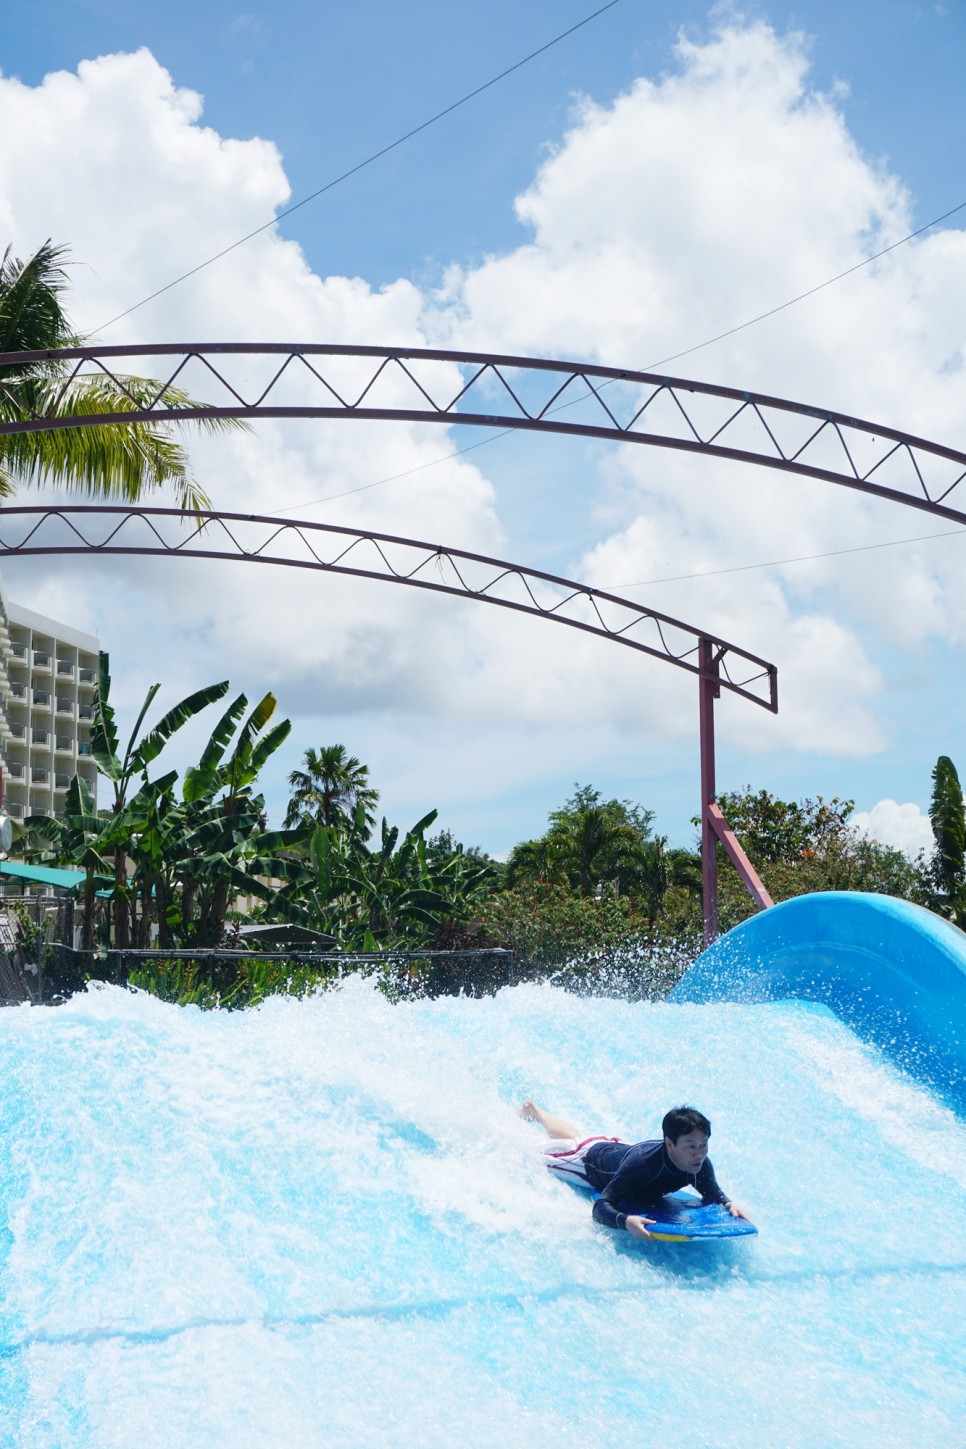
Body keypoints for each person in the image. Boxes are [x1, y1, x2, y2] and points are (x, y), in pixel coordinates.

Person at [519, 1099, 749, 1240]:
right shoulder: (641, 1166)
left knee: (579, 1138)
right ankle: (510, 1124)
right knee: (529, 1152)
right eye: (691, 1146)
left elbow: (713, 1194)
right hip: (588, 1160)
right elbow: (601, 1206)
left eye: (704, 1144)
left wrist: (729, 1203)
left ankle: (537, 1112)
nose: (699, 1153)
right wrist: (625, 1221)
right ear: (670, 1143)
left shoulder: (698, 1164)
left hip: (620, 1150)